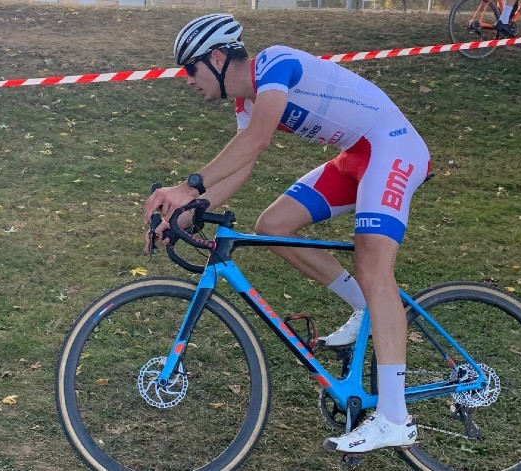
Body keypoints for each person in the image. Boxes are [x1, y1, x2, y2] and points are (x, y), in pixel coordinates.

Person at [144, 13, 431, 453]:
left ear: (218, 57)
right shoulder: (246, 102)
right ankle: (365, 308)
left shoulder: (275, 64)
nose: (187, 80)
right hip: (357, 155)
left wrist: (188, 186)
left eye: (190, 68)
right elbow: (242, 164)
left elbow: (258, 141)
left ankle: (394, 417)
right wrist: (187, 212)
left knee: (374, 266)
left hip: (392, 147)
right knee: (273, 227)